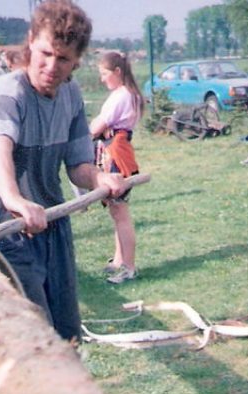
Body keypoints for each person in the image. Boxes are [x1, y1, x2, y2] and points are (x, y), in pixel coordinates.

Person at [0, 0, 130, 341]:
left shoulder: (71, 95)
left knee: (65, 332)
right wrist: (15, 200)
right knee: (35, 338)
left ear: (77, 60)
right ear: (31, 40)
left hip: (54, 225)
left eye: (63, 58)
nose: (51, 66)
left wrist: (99, 178)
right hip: (10, 231)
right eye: (45, 53)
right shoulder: (8, 93)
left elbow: (78, 165)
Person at [88, 51, 143, 284]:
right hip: (115, 150)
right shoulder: (125, 94)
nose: (102, 79)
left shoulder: (121, 96)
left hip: (116, 155)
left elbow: (96, 127)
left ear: (117, 72)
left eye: (104, 73)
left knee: (121, 214)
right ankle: (119, 260)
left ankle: (128, 267)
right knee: (116, 212)